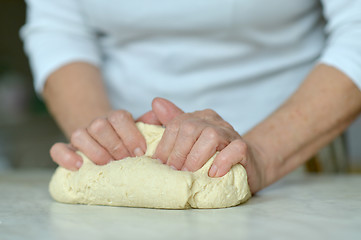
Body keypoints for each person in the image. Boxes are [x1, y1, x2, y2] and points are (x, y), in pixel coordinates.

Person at [21, 0, 361, 194]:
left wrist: (261, 153)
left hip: (292, 154)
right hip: (132, 147)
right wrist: (104, 142)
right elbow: (60, 27)